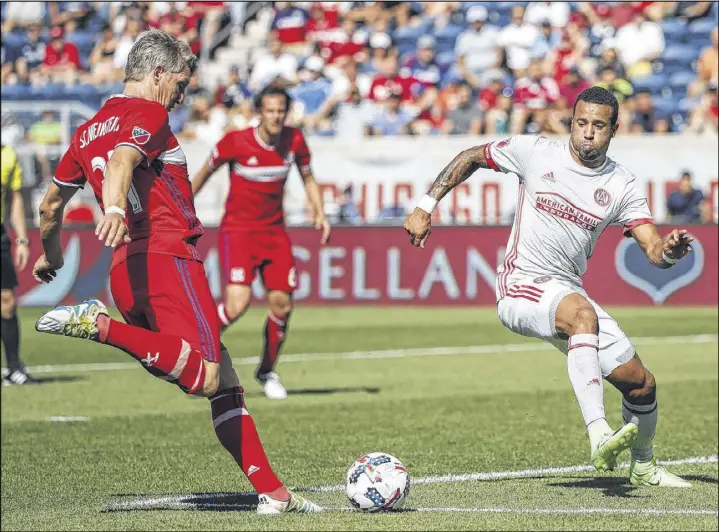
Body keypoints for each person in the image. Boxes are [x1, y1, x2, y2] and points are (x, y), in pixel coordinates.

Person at [32, 29, 322, 514]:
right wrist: (116, 208)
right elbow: (125, 159)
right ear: (157, 73)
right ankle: (99, 326)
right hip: (166, 255)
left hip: (125, 271)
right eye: (181, 82)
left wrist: (51, 255)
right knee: (208, 376)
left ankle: (275, 495)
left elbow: (49, 205)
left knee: (224, 378)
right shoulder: (149, 112)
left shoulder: (86, 130)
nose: (182, 94)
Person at [403, 87, 692, 487]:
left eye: (598, 126)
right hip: (520, 283)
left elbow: (654, 248)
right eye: (581, 123)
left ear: (614, 129)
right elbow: (471, 157)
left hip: (566, 291)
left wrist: (672, 252)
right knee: (582, 314)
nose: (588, 133)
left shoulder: (621, 184)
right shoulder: (535, 152)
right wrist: (425, 205)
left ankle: (643, 466)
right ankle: (599, 435)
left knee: (641, 383)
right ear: (571, 122)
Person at [191, 85, 330, 400]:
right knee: (237, 305)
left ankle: (267, 370)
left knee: (283, 304)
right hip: (238, 231)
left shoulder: (294, 140)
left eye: (281, 110)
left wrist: (320, 213)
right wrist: (181, 209)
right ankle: (197, 347)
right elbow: (203, 174)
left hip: (274, 233)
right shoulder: (235, 143)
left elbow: (308, 177)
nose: (276, 116)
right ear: (258, 113)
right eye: (270, 110)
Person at [1, 143, 34, 386]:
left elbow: (14, 199)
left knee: (7, 302)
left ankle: (14, 368)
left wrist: (21, 240)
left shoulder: (8, 154)